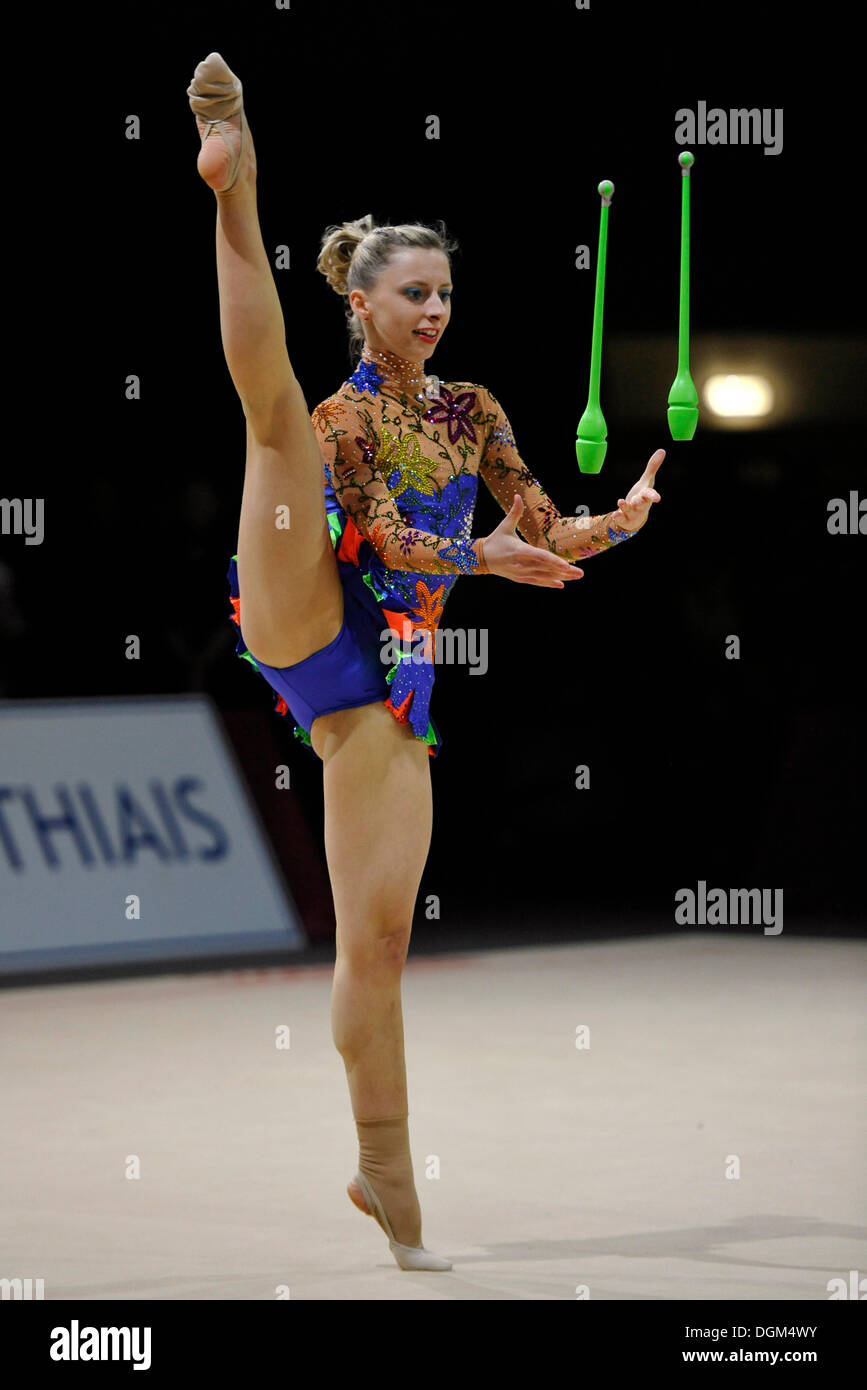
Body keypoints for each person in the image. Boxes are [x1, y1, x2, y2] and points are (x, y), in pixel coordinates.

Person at [187, 52, 664, 1272]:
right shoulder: (350, 417)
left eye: (444, 292)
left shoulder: (476, 408)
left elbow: (539, 522)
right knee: (274, 415)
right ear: (364, 301)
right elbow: (393, 539)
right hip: (311, 600)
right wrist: (492, 562)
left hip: (392, 673)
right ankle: (232, 181)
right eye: (412, 294)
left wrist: (616, 520)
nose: (434, 310)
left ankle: (383, 1162)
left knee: (382, 940)